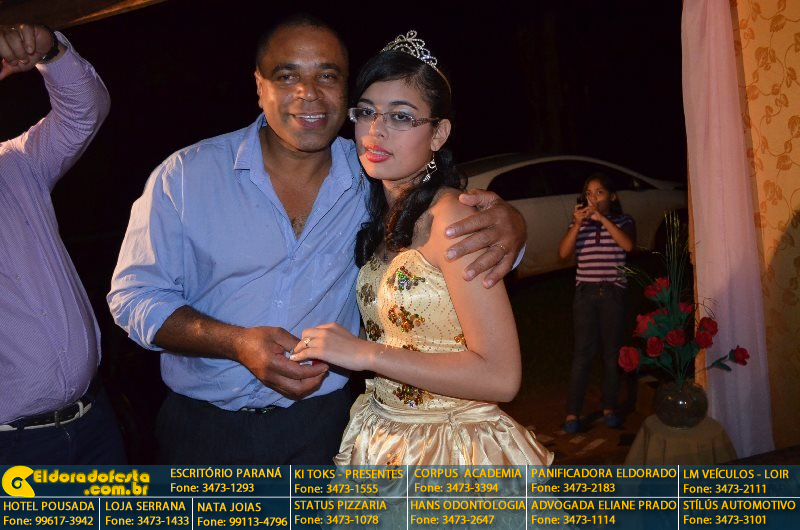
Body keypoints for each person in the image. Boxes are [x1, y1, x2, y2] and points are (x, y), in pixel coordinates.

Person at [107, 14, 525, 464]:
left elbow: (446, 242)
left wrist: (511, 226)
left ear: (344, 88)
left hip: (322, 428)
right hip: (203, 431)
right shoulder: (187, 176)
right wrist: (235, 342)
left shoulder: (370, 175)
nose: (308, 93)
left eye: (327, 75)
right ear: (259, 85)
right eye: (287, 75)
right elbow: (134, 297)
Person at [289, 30, 551, 467]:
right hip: (385, 436)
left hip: (452, 450)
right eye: (366, 112)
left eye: (401, 116)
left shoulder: (451, 217)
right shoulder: (381, 211)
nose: (376, 131)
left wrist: (362, 353)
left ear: (438, 133)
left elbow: (502, 376)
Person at [0, 23, 126, 463]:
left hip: (94, 420)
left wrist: (49, 51)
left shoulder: (16, 163)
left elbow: (83, 113)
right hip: (13, 447)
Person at [557, 173, 636, 433]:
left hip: (613, 293)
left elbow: (627, 246)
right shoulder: (579, 224)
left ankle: (609, 407)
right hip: (585, 295)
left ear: (612, 196)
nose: (593, 198)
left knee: (612, 354)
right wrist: (577, 224)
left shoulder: (624, 221)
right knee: (582, 354)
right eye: (589, 193)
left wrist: (602, 219)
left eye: (599, 192)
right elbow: (563, 253)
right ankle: (572, 413)